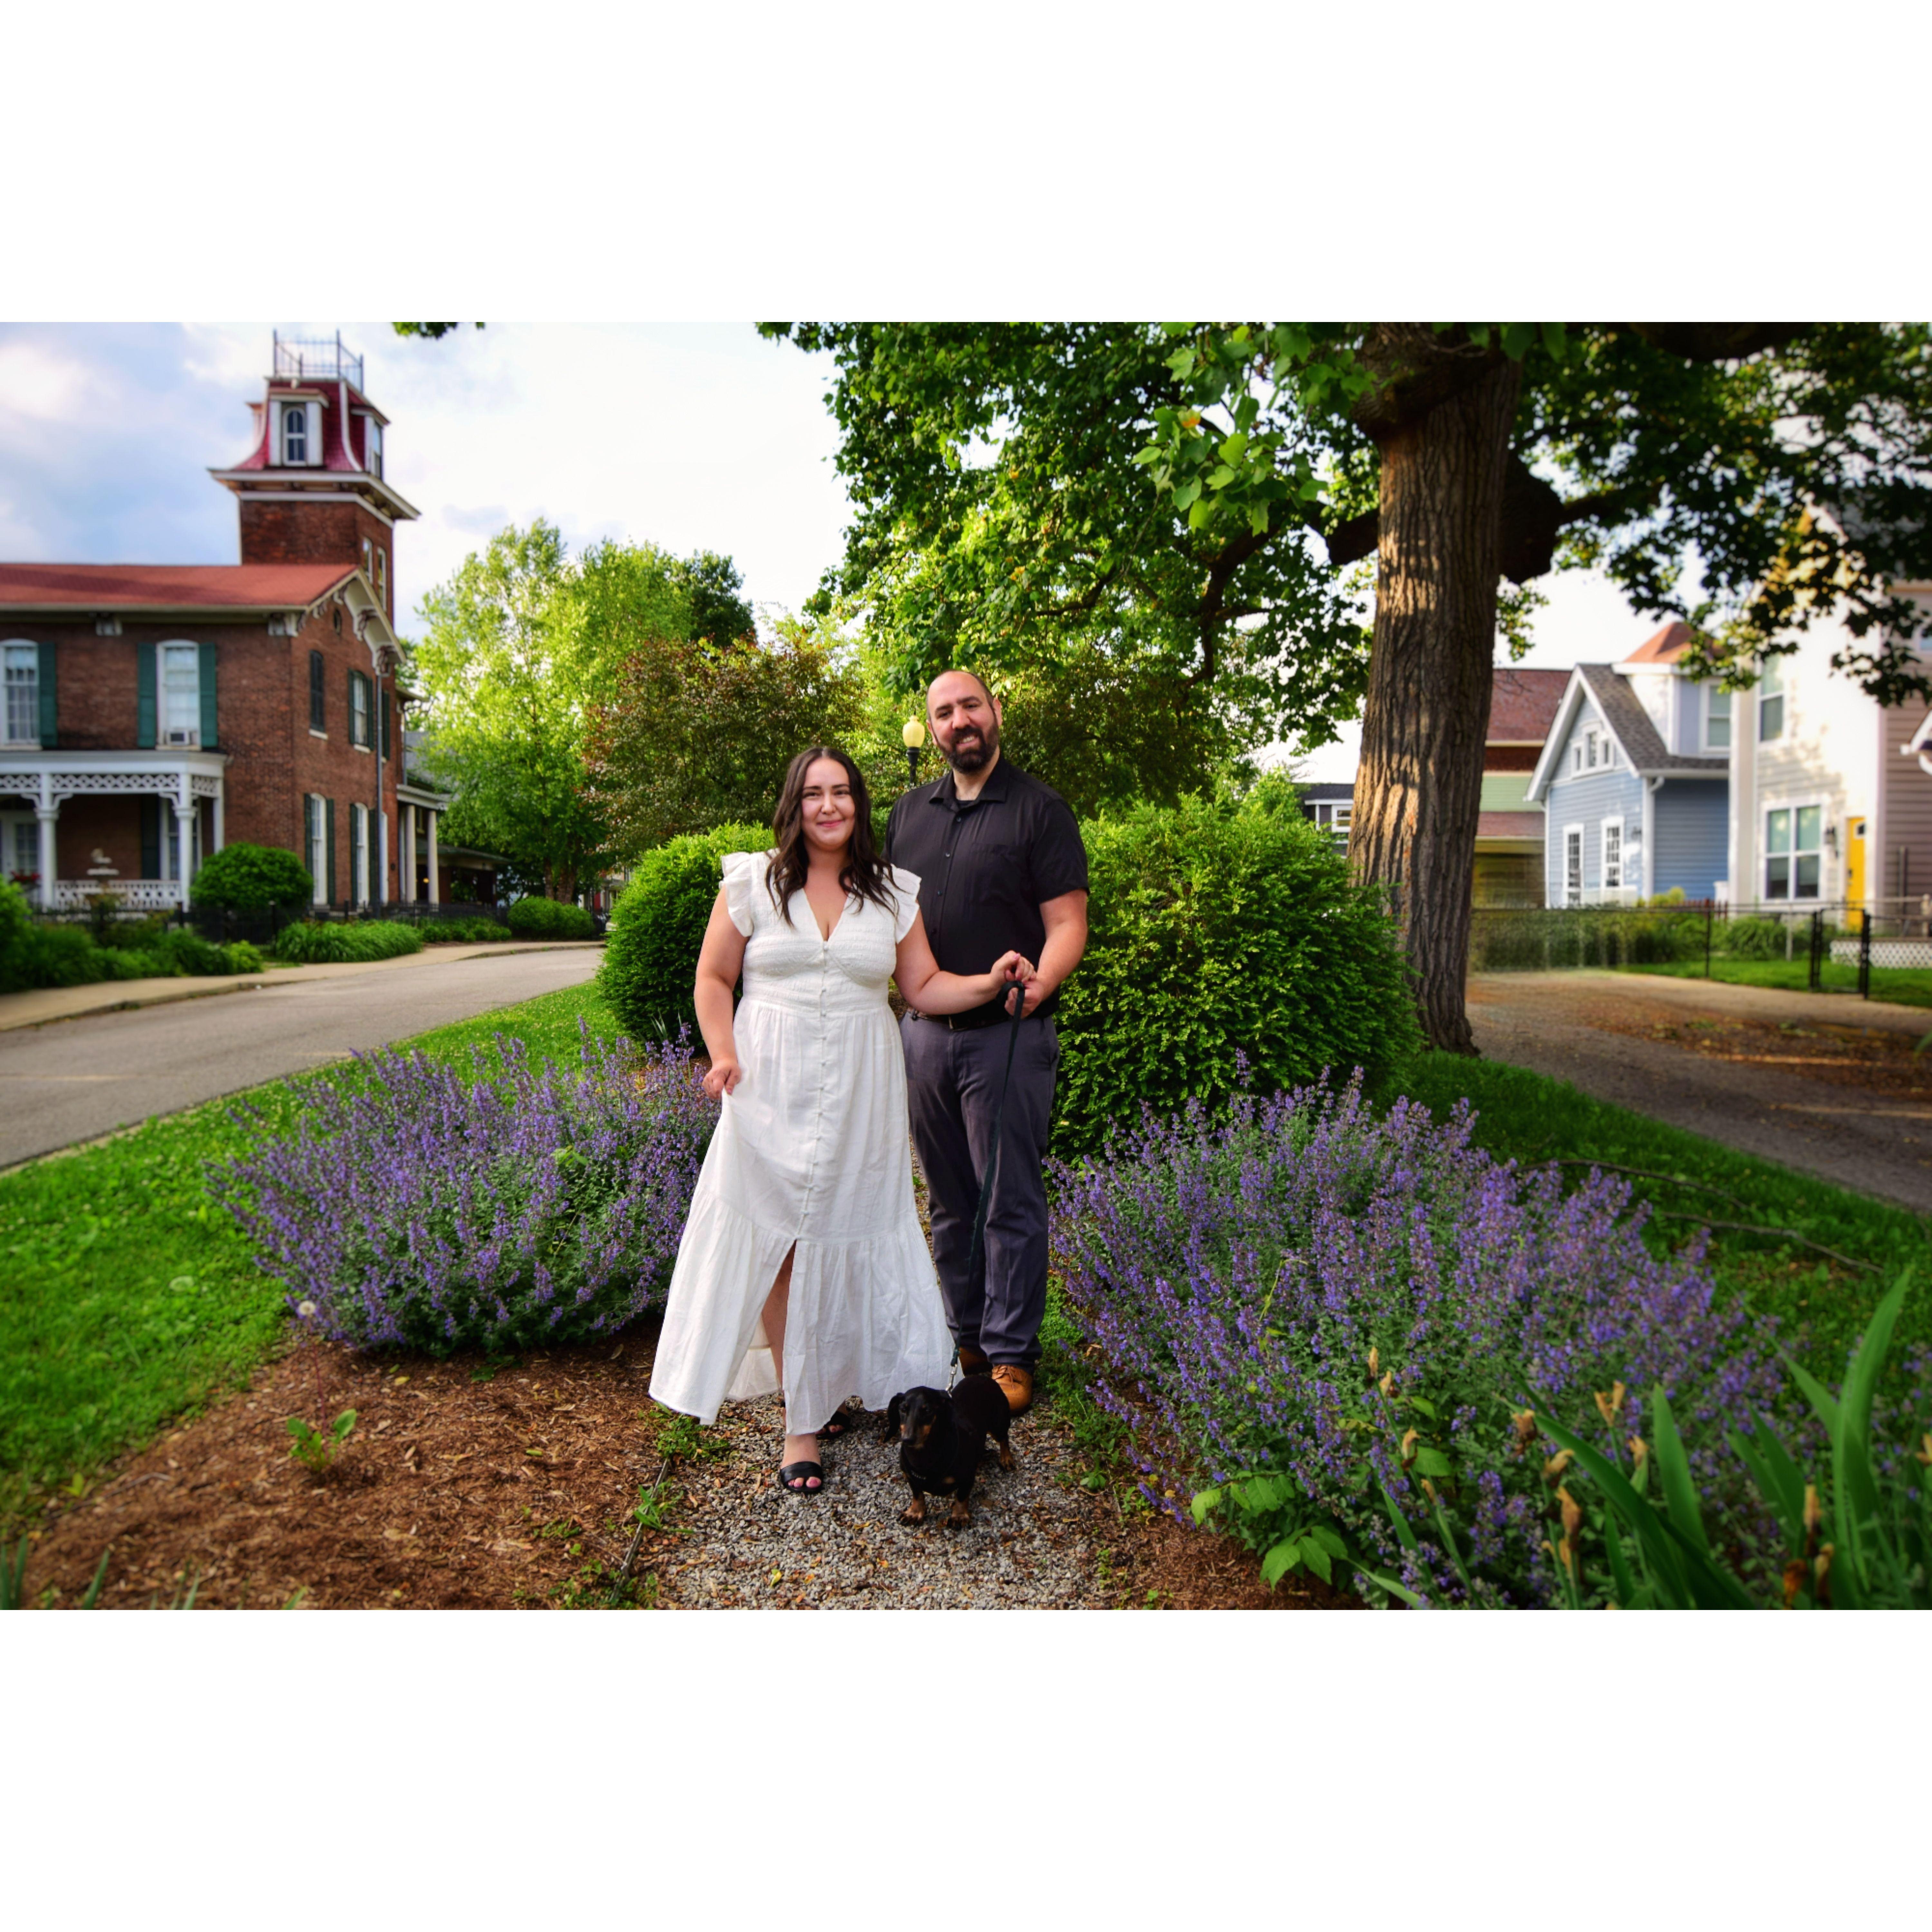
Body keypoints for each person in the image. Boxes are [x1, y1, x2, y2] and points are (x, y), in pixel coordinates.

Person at [648, 745, 1035, 1495]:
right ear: (793, 805)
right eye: (814, 794)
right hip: (768, 1086)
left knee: (849, 1229)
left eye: (842, 794)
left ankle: (834, 1385)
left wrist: (990, 980)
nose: (829, 807)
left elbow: (922, 986)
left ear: (859, 805)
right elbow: (714, 976)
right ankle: (803, 1420)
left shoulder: (891, 893)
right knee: (779, 1241)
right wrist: (722, 1055)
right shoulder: (752, 883)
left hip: (861, 1092)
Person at [886, 671, 1089, 1417]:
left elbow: (1067, 922)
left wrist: (1045, 979)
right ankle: (966, 1336)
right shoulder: (908, 815)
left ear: (995, 712)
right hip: (926, 1041)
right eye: (944, 713)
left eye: (970, 705)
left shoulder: (1040, 810)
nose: (959, 721)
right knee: (947, 1201)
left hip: (1009, 1034)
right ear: (931, 729)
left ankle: (1009, 1356)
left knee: (1009, 1199)